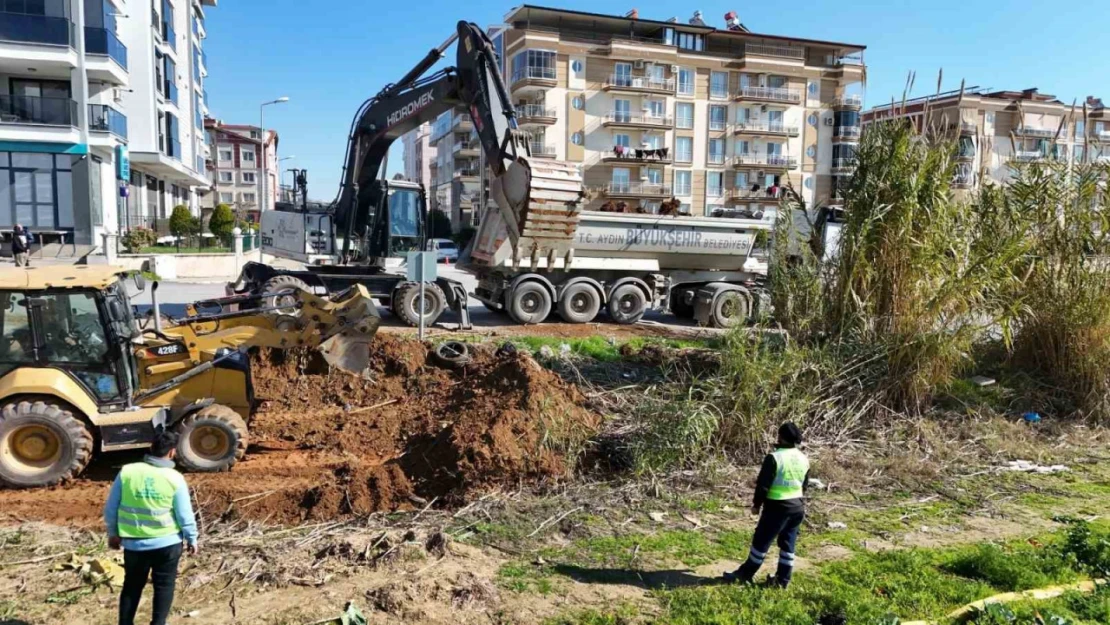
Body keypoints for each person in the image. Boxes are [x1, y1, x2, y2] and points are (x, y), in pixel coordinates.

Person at [104, 430, 197, 625]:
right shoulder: (175, 478)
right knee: (164, 586)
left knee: (131, 587)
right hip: (168, 544)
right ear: (172, 453)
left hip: (134, 546)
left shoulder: (127, 472)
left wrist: (113, 534)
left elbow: (111, 508)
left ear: (150, 448)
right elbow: (184, 514)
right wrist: (191, 538)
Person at [723, 422, 810, 588]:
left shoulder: (775, 458)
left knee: (761, 542)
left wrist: (756, 505)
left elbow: (763, 485)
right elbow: (804, 485)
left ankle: (744, 574)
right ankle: (782, 580)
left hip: (777, 507)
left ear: (781, 437)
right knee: (788, 544)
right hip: (797, 506)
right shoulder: (803, 458)